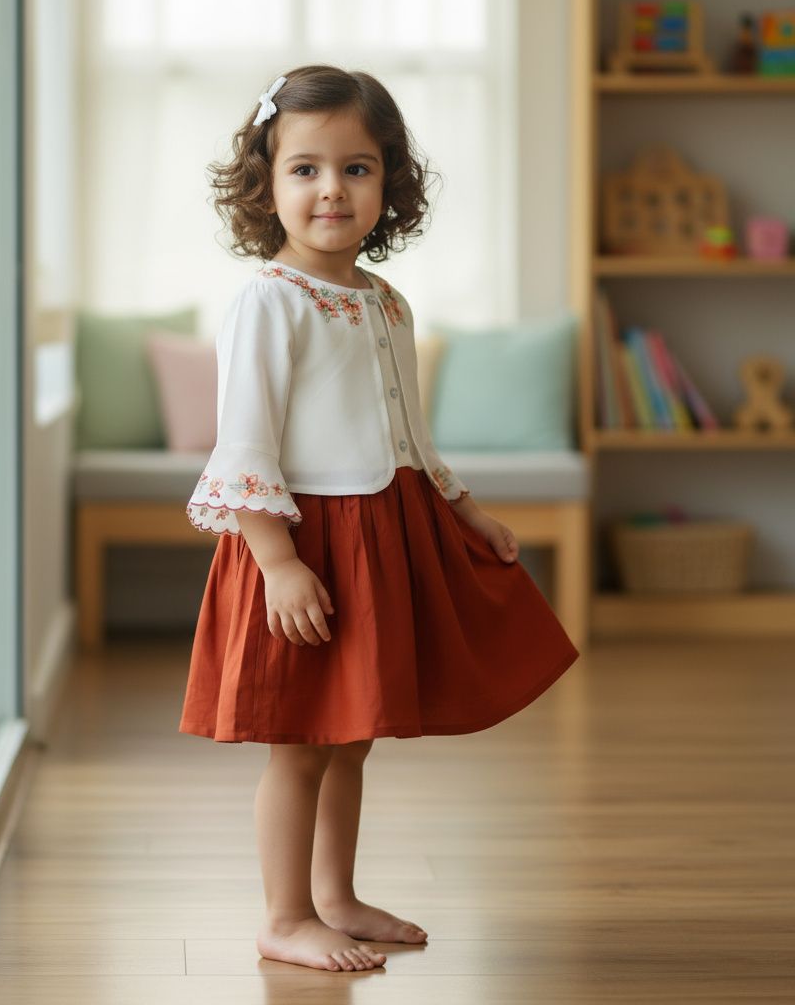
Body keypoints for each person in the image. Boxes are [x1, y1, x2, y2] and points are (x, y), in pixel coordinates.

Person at [178, 64, 580, 974]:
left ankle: (336, 895)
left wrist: (465, 512)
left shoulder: (386, 302)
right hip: (304, 542)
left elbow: (407, 432)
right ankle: (284, 915)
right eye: (305, 169)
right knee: (298, 747)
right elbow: (245, 446)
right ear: (265, 184)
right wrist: (278, 563)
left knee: (350, 737)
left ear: (389, 183)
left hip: (384, 531)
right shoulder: (267, 302)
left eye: (357, 169)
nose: (331, 190)